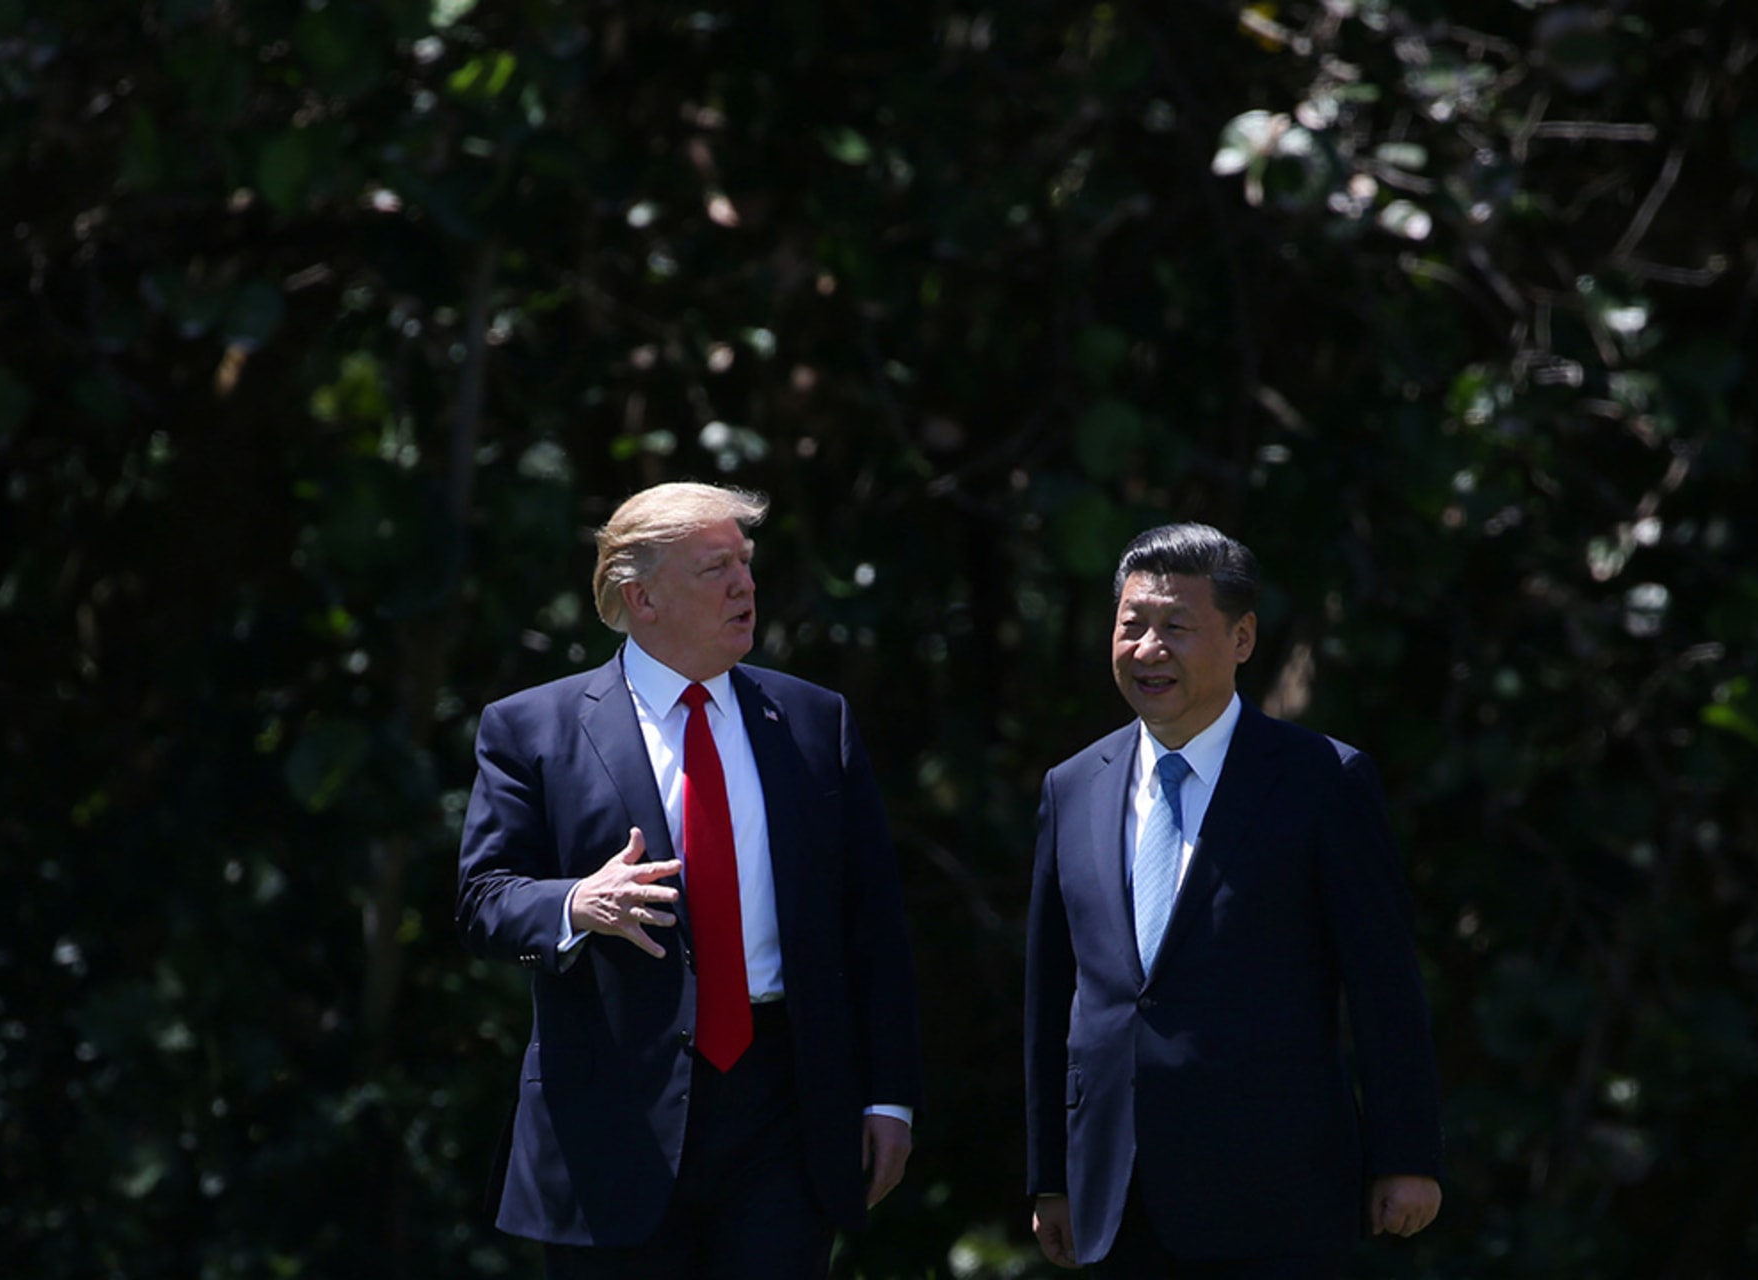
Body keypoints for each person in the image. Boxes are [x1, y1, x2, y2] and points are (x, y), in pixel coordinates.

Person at [456, 481, 921, 1280]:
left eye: (745, 563)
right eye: (715, 569)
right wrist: (576, 901)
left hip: (786, 1105)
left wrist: (889, 1099)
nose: (745, 585)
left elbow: (872, 924)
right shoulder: (532, 728)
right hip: (612, 1118)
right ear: (643, 598)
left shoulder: (815, 721)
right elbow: (483, 898)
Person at [1024, 523, 1443, 1278]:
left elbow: (1384, 983)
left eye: (1176, 628)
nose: (1149, 649)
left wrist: (1406, 1156)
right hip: (1112, 1193)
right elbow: (1055, 994)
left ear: (1242, 638)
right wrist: (1049, 1175)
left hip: (1273, 1194)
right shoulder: (1073, 784)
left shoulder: (1322, 782)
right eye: (1132, 626)